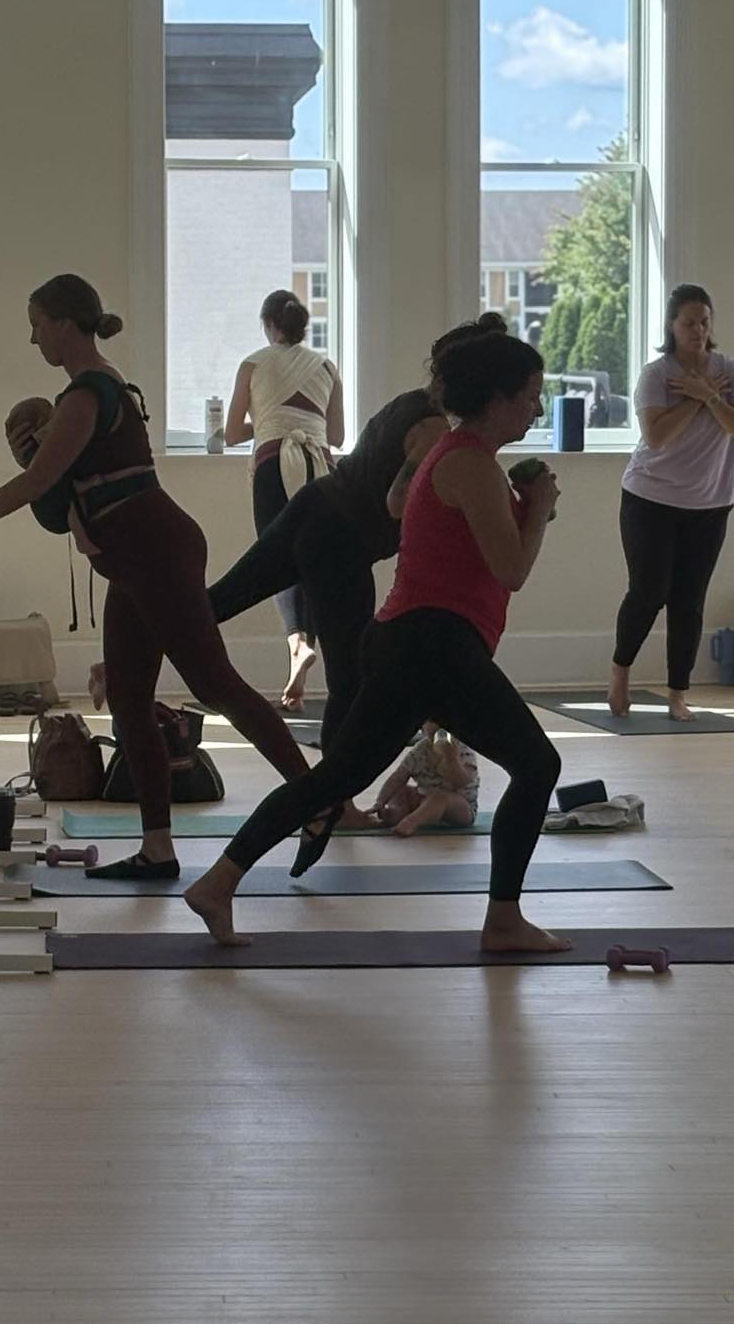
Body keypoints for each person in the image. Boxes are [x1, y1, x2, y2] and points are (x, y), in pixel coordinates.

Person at [0, 273, 317, 881]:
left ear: (65, 324)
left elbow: (33, 485)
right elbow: (68, 498)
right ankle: (157, 849)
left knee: (215, 682)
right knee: (127, 702)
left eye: (37, 324)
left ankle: (320, 800)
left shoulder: (88, 394)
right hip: (137, 557)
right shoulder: (93, 391)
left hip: (155, 549)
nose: (32, 337)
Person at [184, 327, 568, 954]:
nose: (536, 408)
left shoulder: (447, 454)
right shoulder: (470, 462)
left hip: (401, 639)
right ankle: (503, 920)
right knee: (538, 764)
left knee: (333, 779)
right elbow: (513, 571)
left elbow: (402, 505)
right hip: (433, 644)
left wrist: (516, 509)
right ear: (496, 398)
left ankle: (219, 882)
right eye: (530, 395)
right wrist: (541, 507)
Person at [207, 314, 510, 754]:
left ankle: (124, 650)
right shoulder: (433, 430)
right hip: (338, 541)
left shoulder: (408, 403)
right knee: (349, 677)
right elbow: (399, 503)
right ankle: (335, 797)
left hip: (314, 509)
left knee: (219, 602)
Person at [609, 284, 734, 723]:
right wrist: (694, 396)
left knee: (689, 600)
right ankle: (620, 671)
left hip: (710, 503)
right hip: (649, 497)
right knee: (649, 591)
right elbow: (657, 436)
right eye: (689, 322)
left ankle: (677, 693)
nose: (699, 330)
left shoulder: (730, 372)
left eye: (705, 321)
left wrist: (710, 394)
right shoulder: (657, 375)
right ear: (672, 326)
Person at [225, 290, 344, 708]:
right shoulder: (327, 366)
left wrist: (267, 418)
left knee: (276, 558)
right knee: (314, 559)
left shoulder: (254, 363)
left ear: (268, 325)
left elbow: (232, 433)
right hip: (321, 467)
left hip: (275, 462)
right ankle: (310, 649)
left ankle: (297, 644)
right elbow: (337, 437)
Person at [374, 723, 480, 836]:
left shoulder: (462, 749)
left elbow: (462, 781)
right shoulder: (419, 751)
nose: (440, 725)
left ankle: (411, 821)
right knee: (400, 790)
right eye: (433, 720)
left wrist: (451, 759)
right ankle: (396, 814)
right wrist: (380, 801)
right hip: (424, 799)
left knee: (440, 797)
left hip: (459, 808)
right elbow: (398, 777)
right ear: (422, 728)